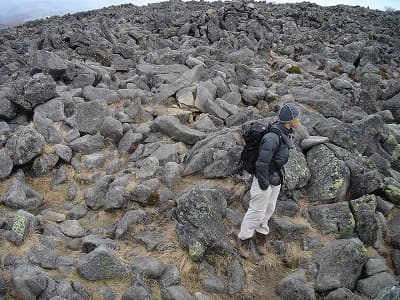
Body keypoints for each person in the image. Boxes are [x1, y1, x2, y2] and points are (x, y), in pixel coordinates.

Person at [236, 102, 301, 258]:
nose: (299, 119)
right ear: (289, 120)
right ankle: (244, 239)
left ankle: (261, 235)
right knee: (256, 211)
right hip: (264, 180)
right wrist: (264, 184)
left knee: (269, 208)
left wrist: (275, 180)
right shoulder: (272, 137)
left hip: (275, 177)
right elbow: (261, 163)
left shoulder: (285, 131)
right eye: (297, 117)